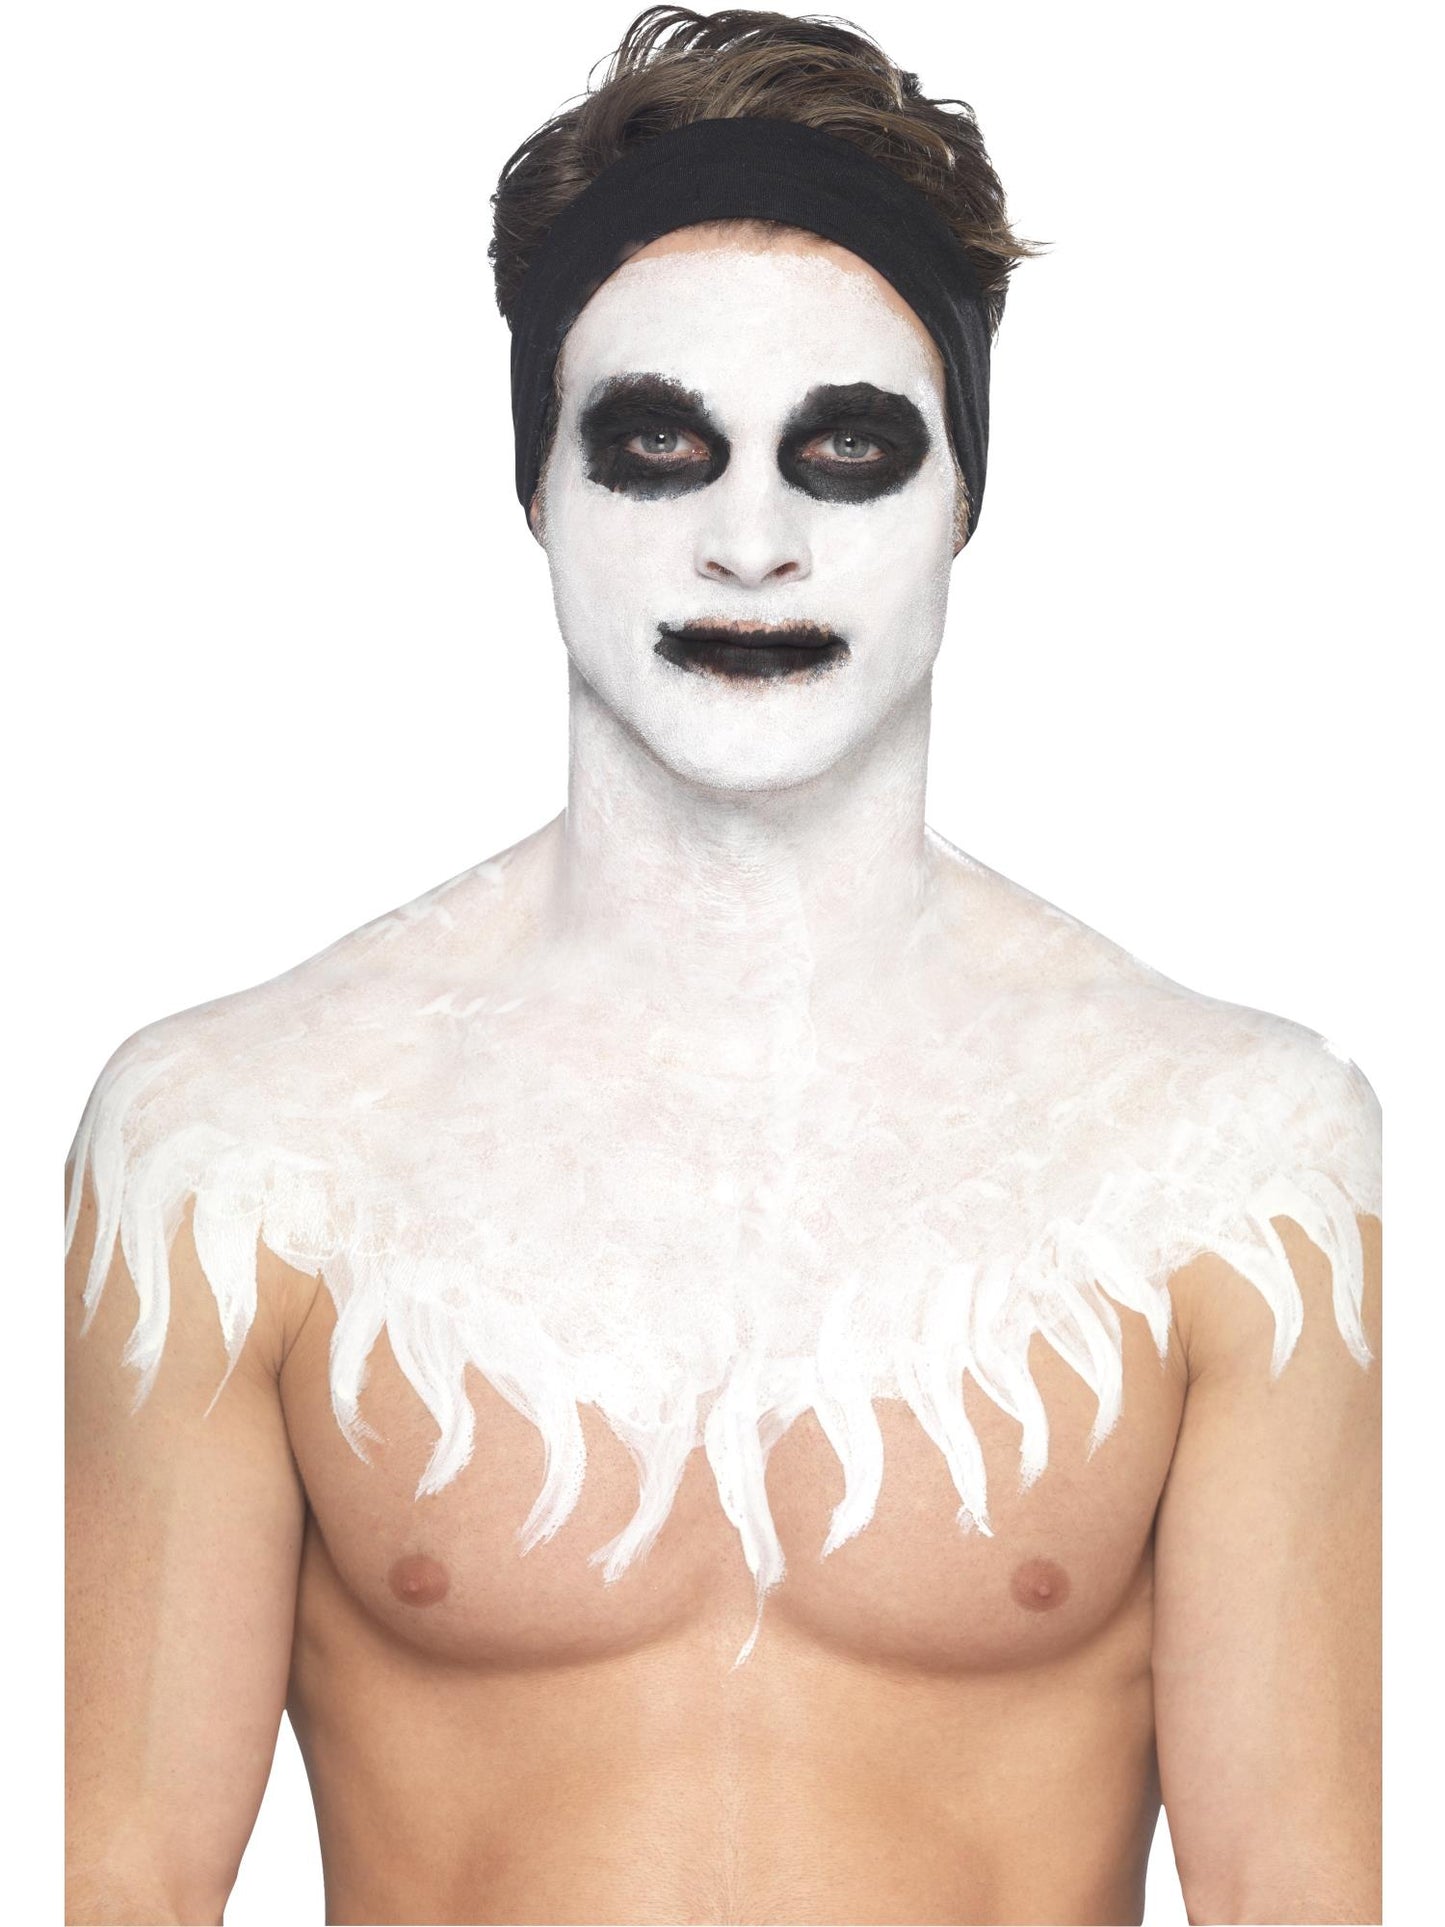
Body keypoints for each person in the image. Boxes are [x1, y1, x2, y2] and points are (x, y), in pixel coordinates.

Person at [64, 9, 1382, 1924]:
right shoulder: (232, 1153)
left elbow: (1298, 1894)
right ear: (536, 487)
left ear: (962, 496)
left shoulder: (1229, 1165)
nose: (748, 542)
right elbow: (119, 1884)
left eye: (845, 451)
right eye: (656, 448)